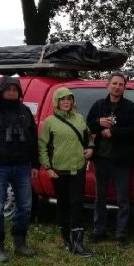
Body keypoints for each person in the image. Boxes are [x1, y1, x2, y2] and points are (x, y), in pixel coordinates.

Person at [0, 76, 39, 263]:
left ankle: (20, 244)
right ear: (1, 90)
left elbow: (33, 139)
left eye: (15, 89)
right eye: (8, 89)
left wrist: (35, 164)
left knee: (25, 207)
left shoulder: (25, 111)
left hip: (22, 167)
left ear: (19, 92)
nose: (11, 92)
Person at [38, 87, 94, 257]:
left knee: (76, 204)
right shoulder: (50, 122)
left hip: (77, 169)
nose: (66, 102)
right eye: (62, 99)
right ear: (56, 101)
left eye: (69, 99)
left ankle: (78, 243)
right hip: (58, 171)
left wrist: (90, 148)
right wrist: (47, 168)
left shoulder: (79, 118)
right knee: (63, 204)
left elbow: (88, 137)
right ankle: (66, 241)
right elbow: (42, 146)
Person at [86, 72, 134, 243]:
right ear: (108, 85)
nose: (117, 87)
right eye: (114, 83)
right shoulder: (99, 105)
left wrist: (114, 132)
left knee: (123, 199)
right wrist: (99, 124)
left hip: (121, 161)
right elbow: (87, 125)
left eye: (120, 84)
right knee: (100, 198)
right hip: (101, 159)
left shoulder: (130, 108)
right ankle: (98, 231)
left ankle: (121, 233)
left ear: (125, 87)